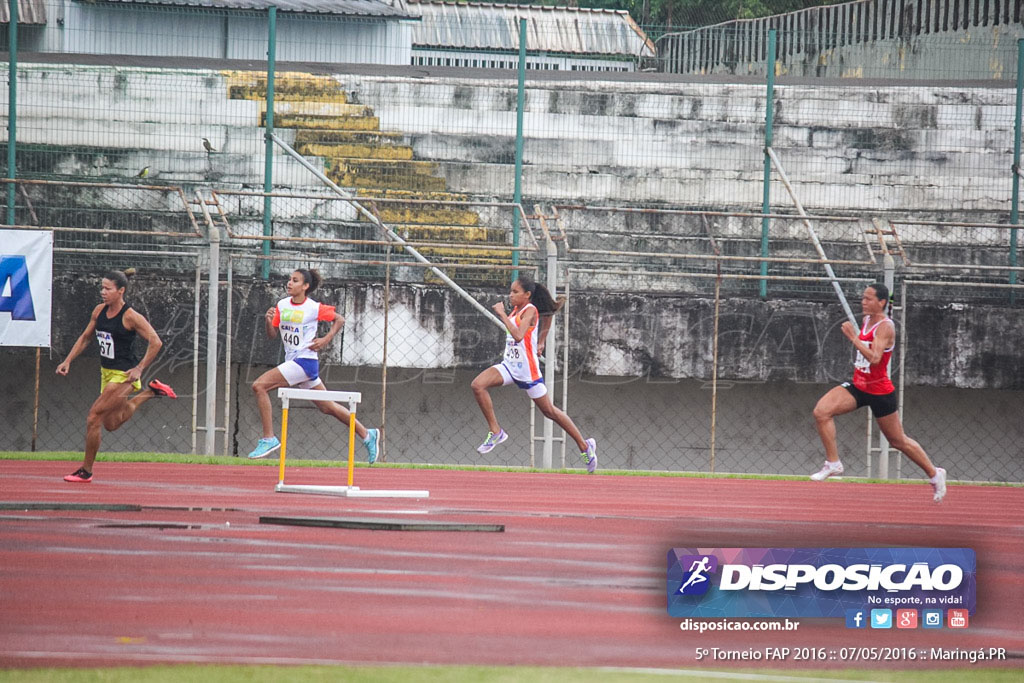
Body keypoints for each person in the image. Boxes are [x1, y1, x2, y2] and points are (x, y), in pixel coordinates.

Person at [810, 283, 946, 502]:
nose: (863, 302)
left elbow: (875, 357)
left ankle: (934, 473)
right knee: (821, 411)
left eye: (868, 299)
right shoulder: (866, 320)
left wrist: (853, 338)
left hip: (880, 391)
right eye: (863, 298)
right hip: (859, 386)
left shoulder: (885, 326)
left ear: (881, 302)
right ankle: (833, 463)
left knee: (898, 441)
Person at [56, 269, 177, 483]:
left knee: (93, 418)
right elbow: (85, 338)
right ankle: (152, 391)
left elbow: (156, 342)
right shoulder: (99, 311)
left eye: (107, 289)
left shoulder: (130, 316)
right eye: (101, 288)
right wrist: (68, 360)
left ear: (120, 291)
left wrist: (139, 368)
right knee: (111, 424)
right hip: (107, 373)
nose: (103, 292)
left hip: (124, 376)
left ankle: (86, 471)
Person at [248, 268, 379, 463]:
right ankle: (368, 434)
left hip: (305, 362)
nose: (289, 283)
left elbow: (339, 319)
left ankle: (269, 438)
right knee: (327, 407)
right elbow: (272, 335)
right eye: (289, 280)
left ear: (306, 286)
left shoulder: (313, 307)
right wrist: (268, 321)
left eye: (295, 280)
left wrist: (326, 339)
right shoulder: (282, 305)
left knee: (259, 386)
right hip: (293, 362)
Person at [470, 273, 597, 473]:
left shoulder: (529, 310)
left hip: (528, 371)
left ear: (527, 294)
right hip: (509, 366)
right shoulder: (517, 309)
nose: (510, 295)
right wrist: (541, 340)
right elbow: (548, 317)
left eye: (515, 292)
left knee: (550, 412)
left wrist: (502, 314)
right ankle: (496, 431)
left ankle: (584, 445)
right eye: (510, 291)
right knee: (478, 385)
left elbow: (519, 336)